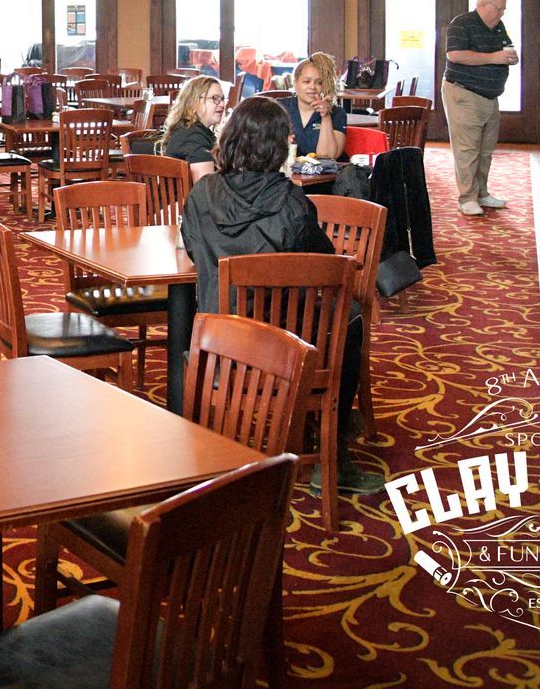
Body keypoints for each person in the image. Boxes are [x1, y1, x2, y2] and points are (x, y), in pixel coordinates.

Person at [181, 96, 382, 495]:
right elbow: (326, 266)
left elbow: (191, 250)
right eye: (287, 136)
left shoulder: (202, 194)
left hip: (218, 343)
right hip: (281, 349)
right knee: (350, 317)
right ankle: (333, 452)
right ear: (276, 147)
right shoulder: (291, 202)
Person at [443, 0, 517, 216]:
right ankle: (467, 198)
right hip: (464, 93)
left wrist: (510, 57)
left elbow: (505, 49)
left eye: (504, 10)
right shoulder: (462, 24)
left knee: (485, 150)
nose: (502, 14)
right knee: (467, 150)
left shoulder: (498, 27)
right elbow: (455, 55)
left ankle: (481, 193)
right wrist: (494, 58)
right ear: (485, 6)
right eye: (500, 9)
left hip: (490, 96)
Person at [280, 52, 347, 161]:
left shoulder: (337, 113)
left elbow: (327, 156)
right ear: (295, 82)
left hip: (323, 171)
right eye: (306, 82)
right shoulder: (279, 108)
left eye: (319, 83)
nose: (312, 87)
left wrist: (325, 117)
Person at [158, 74, 226, 180]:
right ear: (193, 102)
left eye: (222, 99)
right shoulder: (192, 136)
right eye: (215, 98)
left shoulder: (187, 129)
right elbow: (204, 186)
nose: (222, 104)